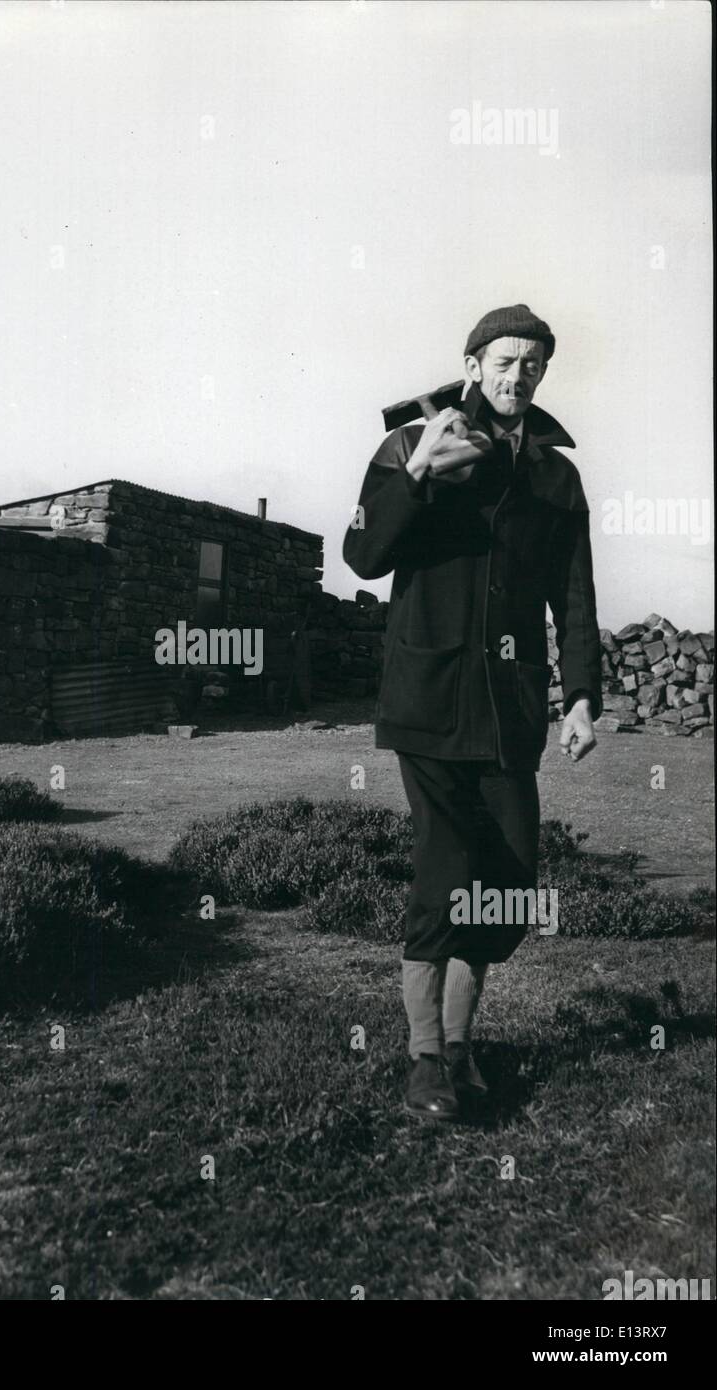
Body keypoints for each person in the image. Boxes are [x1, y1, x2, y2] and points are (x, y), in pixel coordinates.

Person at [343, 304, 602, 1121]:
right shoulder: (412, 441)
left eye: (533, 363)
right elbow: (363, 554)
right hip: (428, 699)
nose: (517, 376)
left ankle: (459, 1041)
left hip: (511, 706)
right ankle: (429, 1060)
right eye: (503, 361)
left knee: (510, 883)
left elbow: (576, 594)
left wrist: (584, 694)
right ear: (472, 362)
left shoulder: (557, 477)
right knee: (447, 873)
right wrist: (418, 472)